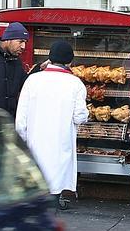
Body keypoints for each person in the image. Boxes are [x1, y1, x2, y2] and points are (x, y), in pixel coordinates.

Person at [15, 40, 88, 203]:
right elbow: (80, 117)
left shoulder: (32, 81)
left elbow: (20, 121)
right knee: (53, 192)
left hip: (34, 147)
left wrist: (24, 144)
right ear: (70, 61)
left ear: (50, 59)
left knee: (35, 191)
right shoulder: (75, 84)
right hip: (60, 149)